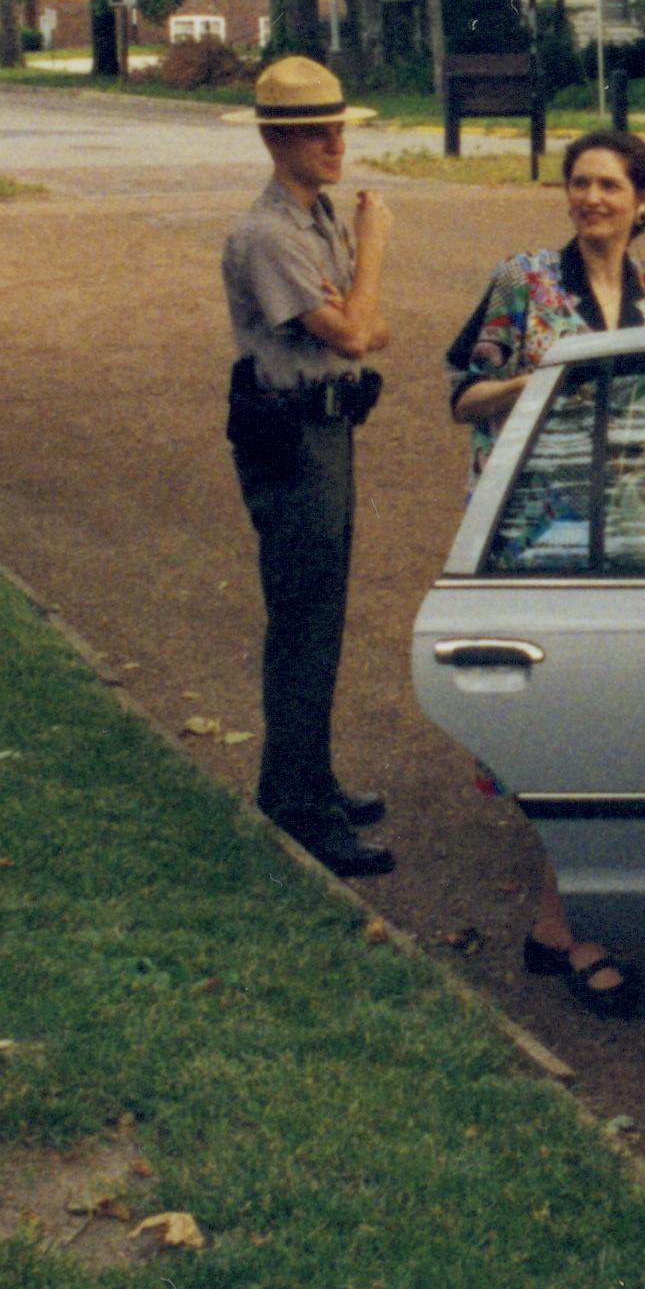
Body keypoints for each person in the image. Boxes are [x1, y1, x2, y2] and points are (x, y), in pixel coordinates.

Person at [444, 127, 645, 1015]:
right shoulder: (525, 282)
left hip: (627, 531)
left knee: (599, 717)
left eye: (609, 186)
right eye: (579, 183)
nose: (591, 198)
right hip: (536, 528)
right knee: (566, 722)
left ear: (644, 199)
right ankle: (575, 929)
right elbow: (460, 396)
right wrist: (537, 379)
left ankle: (561, 925)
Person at [218, 55, 397, 879]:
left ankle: (308, 775)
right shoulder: (269, 235)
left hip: (328, 428)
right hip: (291, 438)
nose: (334, 142)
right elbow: (357, 331)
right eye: (313, 131)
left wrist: (354, 308)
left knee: (321, 616)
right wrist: (372, 254)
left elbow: (366, 329)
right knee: (302, 620)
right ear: (274, 138)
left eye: (337, 127)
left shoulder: (315, 214)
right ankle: (293, 802)